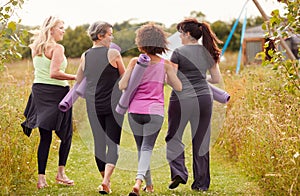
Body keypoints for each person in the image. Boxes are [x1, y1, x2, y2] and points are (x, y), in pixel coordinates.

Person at [118, 22, 182, 196]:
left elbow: (122, 85)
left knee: (141, 149)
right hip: (155, 113)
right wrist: (165, 77)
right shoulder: (166, 64)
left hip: (135, 112)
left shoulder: (134, 62)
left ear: (140, 42)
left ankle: (148, 185)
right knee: (146, 149)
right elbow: (178, 87)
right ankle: (139, 182)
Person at [165, 18, 222, 192]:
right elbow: (216, 79)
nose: (180, 37)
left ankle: (179, 173)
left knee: (173, 137)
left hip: (182, 100)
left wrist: (171, 80)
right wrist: (200, 78)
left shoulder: (178, 52)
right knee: (202, 141)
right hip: (204, 98)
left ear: (188, 34)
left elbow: (172, 80)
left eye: (181, 33)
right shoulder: (208, 52)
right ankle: (201, 184)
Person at [21, 16, 76, 189]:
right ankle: (60, 173)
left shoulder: (35, 48)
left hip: (39, 92)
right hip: (57, 93)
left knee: (45, 137)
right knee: (66, 134)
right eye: (61, 27)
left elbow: (42, 72)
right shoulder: (58, 48)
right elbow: (54, 73)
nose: (64, 30)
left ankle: (41, 179)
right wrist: (76, 77)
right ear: (51, 29)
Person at [75, 21, 126, 194]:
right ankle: (106, 181)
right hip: (113, 106)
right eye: (110, 34)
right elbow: (124, 79)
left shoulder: (85, 55)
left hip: (93, 105)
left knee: (99, 142)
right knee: (113, 143)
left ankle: (105, 182)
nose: (112, 37)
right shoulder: (113, 53)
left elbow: (79, 79)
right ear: (100, 36)